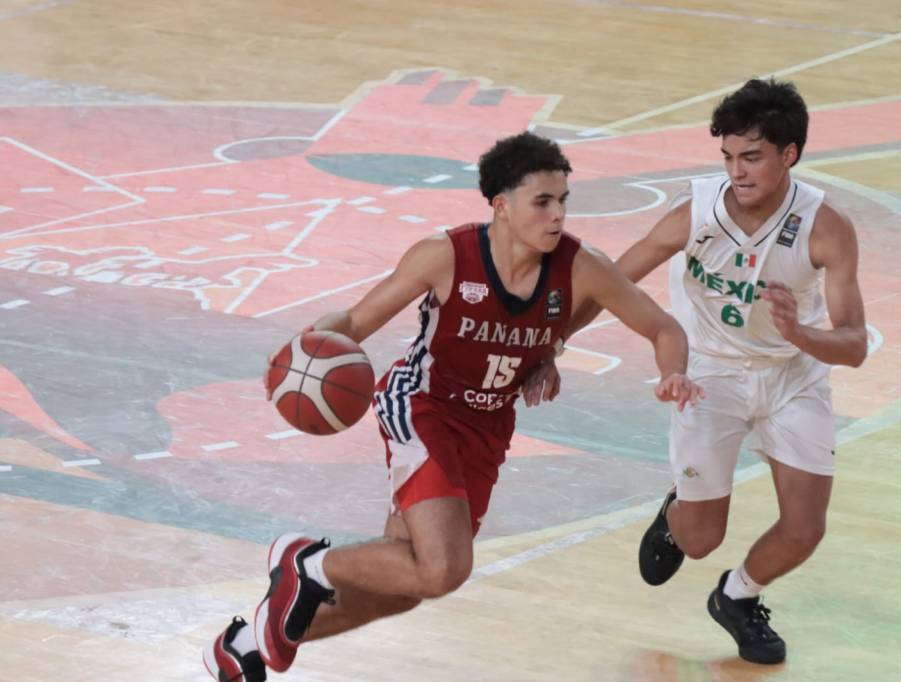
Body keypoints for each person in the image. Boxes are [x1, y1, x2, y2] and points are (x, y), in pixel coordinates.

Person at [203, 131, 704, 681]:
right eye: (543, 201)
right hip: (423, 408)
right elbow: (353, 323)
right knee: (443, 570)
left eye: (563, 200)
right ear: (502, 206)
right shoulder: (445, 256)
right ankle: (305, 564)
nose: (558, 214)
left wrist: (671, 371)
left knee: (404, 587)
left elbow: (662, 327)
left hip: (488, 427)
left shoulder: (581, 266)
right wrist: (299, 351)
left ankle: (245, 643)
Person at [531, 78, 867, 665]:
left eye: (753, 157)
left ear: (790, 155)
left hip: (792, 375)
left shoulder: (825, 227)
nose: (737, 172)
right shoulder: (699, 212)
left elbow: (855, 344)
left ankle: (738, 596)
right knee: (699, 538)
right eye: (729, 157)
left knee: (805, 529)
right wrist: (552, 343)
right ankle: (676, 512)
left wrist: (800, 333)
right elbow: (616, 279)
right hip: (710, 374)